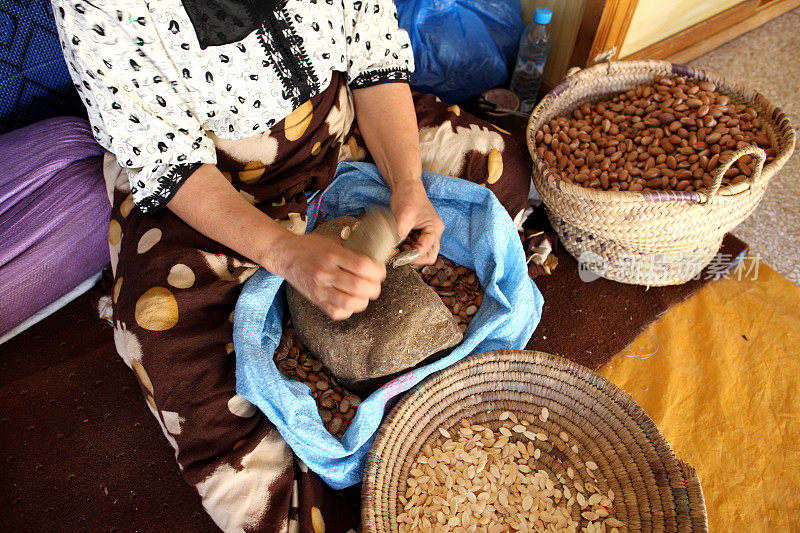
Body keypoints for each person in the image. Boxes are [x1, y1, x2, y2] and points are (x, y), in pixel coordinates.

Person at [54, 0, 532, 530]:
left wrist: (408, 184)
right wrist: (285, 255)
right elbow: (167, 161)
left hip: (332, 128)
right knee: (163, 335)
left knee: (504, 169)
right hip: (206, 184)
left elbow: (372, 59)